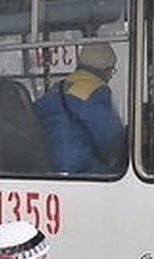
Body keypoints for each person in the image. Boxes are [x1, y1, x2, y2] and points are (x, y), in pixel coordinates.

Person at [33, 41, 126, 175]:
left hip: (47, 166)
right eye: (112, 71)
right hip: (80, 168)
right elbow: (110, 139)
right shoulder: (97, 90)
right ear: (106, 70)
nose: (111, 76)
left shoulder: (58, 86)